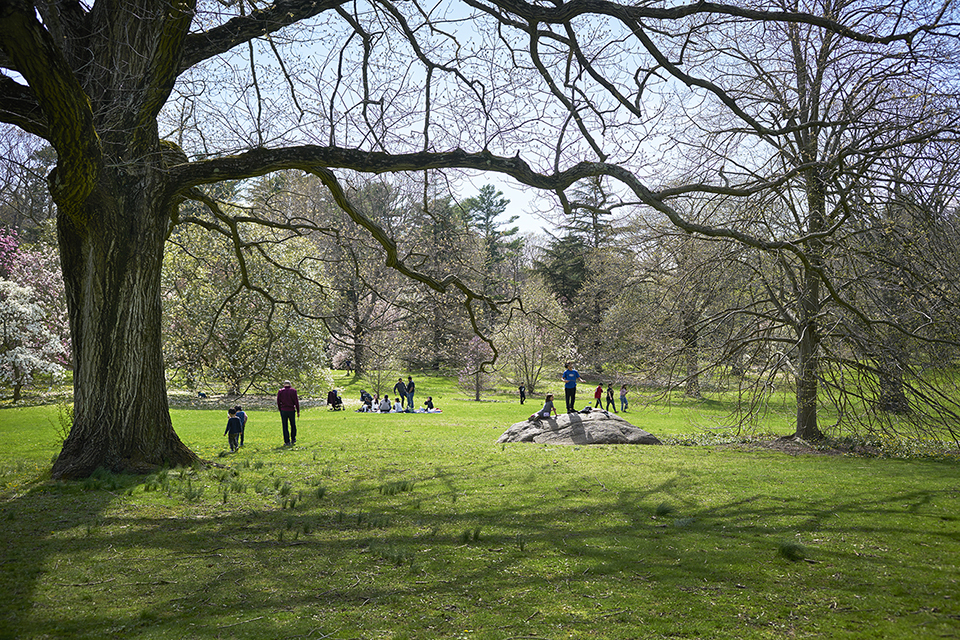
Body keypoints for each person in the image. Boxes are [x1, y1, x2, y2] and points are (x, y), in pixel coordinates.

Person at [277, 380, 300, 446]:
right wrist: (298, 411)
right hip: (291, 409)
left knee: (285, 426)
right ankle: (293, 438)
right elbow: (296, 401)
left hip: (283, 410)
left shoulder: (280, 391)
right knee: (293, 424)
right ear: (290, 385)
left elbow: (278, 401)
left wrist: (280, 409)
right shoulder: (293, 391)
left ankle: (287, 441)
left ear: (284, 385)